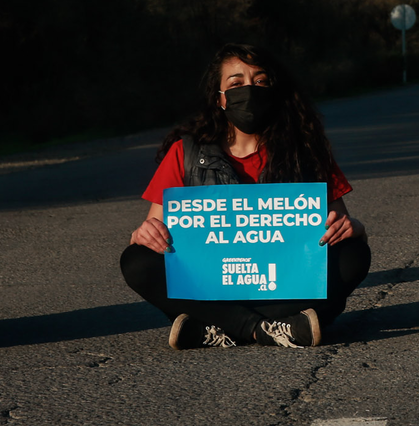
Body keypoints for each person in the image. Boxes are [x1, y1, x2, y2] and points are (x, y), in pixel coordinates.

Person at [120, 43, 371, 349]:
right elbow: (153, 230)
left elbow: (339, 222)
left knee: (354, 254)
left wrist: (354, 227)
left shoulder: (306, 151)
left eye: (260, 81)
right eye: (236, 83)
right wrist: (144, 234)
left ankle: (216, 326)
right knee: (136, 261)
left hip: (286, 283)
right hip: (214, 283)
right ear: (220, 99)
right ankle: (270, 328)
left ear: (275, 91)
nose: (249, 91)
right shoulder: (185, 153)